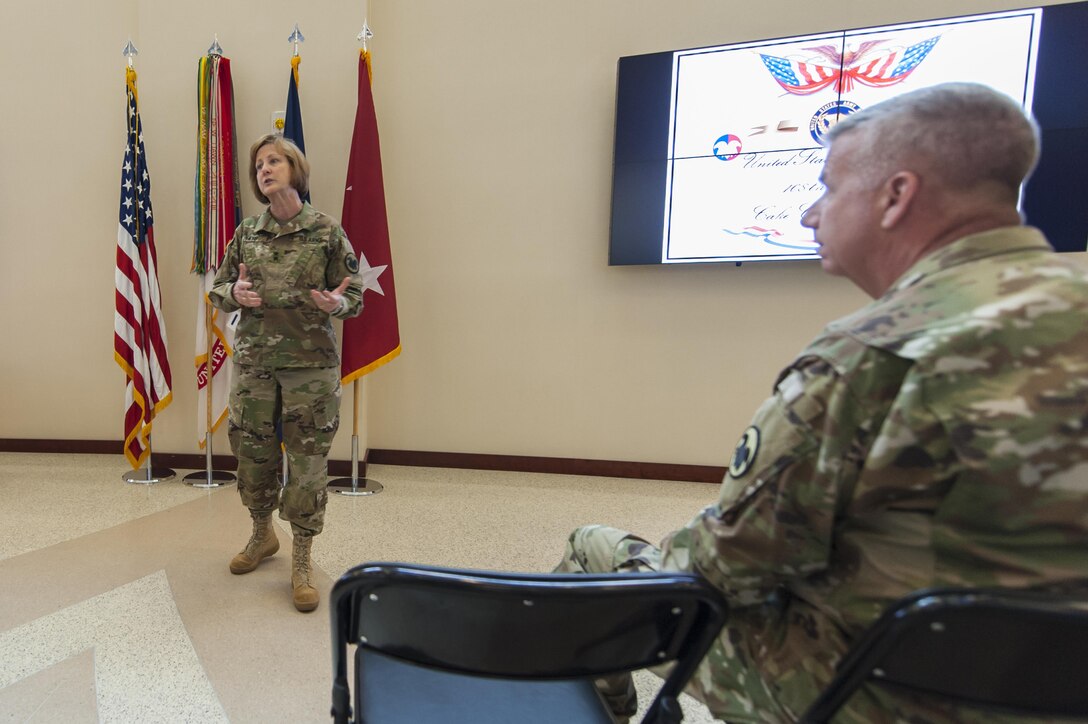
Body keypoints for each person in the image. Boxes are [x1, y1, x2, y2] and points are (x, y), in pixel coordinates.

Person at [556, 82, 1088, 723]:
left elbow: (723, 571)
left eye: (830, 187)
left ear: (896, 196)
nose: (811, 213)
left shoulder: (869, 358)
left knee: (598, 554)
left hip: (888, 694)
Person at [209, 134, 364, 613]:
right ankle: (261, 535)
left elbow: (354, 295)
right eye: (259, 165)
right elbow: (218, 289)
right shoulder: (246, 233)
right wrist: (235, 295)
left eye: (274, 161)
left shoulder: (326, 231)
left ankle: (301, 558)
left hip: (310, 369)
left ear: (295, 169)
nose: (264, 169)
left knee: (307, 463)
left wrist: (336, 301)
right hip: (255, 364)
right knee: (251, 454)